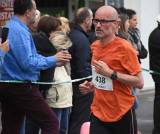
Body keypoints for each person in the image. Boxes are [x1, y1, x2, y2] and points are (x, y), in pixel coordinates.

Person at [0, 0, 71, 133]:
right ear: (28, 12)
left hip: (14, 86)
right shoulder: (19, 31)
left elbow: (31, 57)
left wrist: (54, 60)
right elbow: (28, 63)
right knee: (51, 122)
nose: (37, 14)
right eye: (35, 9)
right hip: (20, 86)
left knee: (11, 129)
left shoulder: (15, 27)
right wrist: (53, 59)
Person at [80, 5, 144, 134]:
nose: (98, 25)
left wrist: (111, 73)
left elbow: (139, 82)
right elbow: (101, 79)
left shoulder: (125, 48)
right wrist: (92, 85)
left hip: (122, 112)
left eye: (104, 21)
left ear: (116, 24)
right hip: (98, 113)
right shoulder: (94, 46)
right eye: (96, 21)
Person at [68, 7, 93, 134]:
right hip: (82, 87)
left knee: (74, 119)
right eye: (92, 19)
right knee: (80, 120)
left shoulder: (72, 34)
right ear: (87, 20)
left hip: (72, 84)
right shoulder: (81, 39)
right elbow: (83, 66)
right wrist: (89, 82)